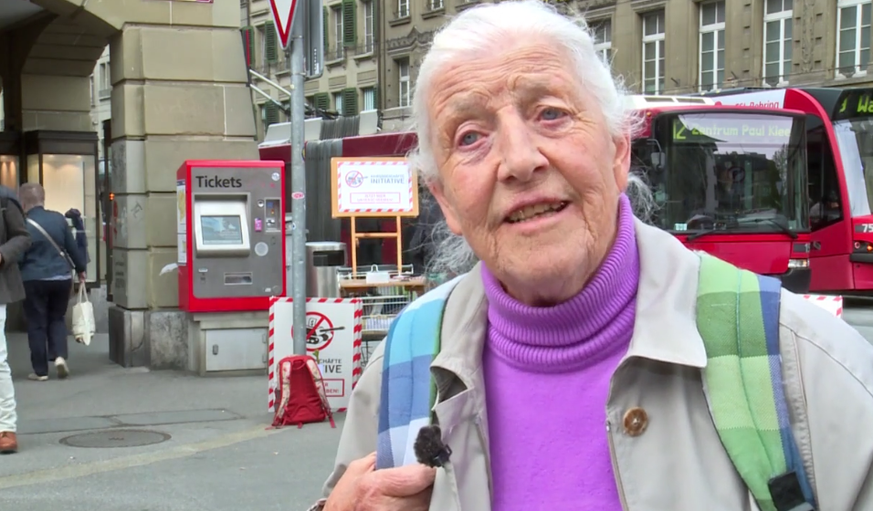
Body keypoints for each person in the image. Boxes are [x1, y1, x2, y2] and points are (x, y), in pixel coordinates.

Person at [310, 2, 873, 510]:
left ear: (617, 150)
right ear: (445, 202)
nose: (519, 159)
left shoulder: (801, 362)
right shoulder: (402, 366)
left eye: (550, 113)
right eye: (470, 136)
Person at [18, 183, 87, 382]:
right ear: (43, 199)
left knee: (37, 323)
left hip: (33, 279)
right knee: (57, 318)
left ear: (23, 203)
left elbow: (20, 256)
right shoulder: (58, 219)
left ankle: (40, 371)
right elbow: (72, 249)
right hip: (61, 278)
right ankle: (59, 357)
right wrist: (81, 269)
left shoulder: (23, 224)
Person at [0, 185, 31, 454]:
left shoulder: (4, 197)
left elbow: (22, 237)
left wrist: (2, 254)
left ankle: (6, 427)